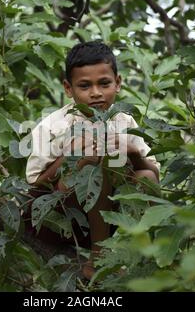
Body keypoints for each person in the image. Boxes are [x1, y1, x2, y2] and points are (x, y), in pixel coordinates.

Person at [25, 41, 160, 280]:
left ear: (117, 83)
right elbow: (35, 184)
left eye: (104, 83)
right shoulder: (55, 125)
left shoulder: (124, 121)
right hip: (57, 221)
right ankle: (99, 258)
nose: (96, 93)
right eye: (85, 86)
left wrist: (134, 153)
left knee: (146, 177)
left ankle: (145, 257)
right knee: (93, 161)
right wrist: (69, 157)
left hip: (104, 219)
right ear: (69, 88)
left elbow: (155, 175)